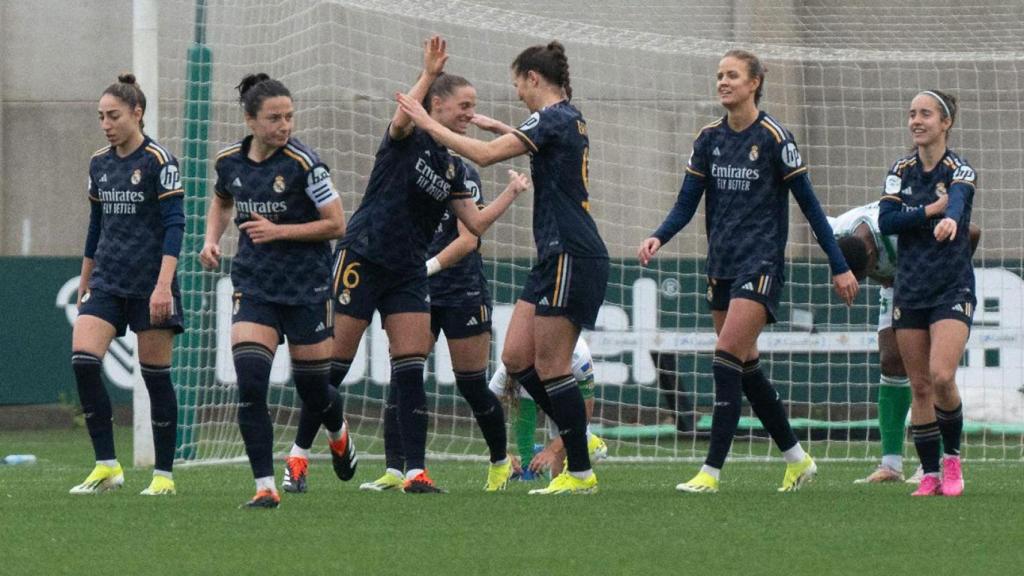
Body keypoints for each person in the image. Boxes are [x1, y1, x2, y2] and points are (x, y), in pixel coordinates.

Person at [308, 37, 526, 495]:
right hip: (395, 270)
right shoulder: (406, 142)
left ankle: (495, 461)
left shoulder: (458, 169)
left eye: (474, 107)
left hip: (455, 285)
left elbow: (473, 232)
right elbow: (404, 119)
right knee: (388, 368)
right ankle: (387, 465)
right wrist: (426, 73)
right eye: (464, 105)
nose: (470, 112)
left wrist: (510, 192)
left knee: (469, 383)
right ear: (438, 105)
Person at [637, 49, 859, 493]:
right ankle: (798, 460)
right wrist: (659, 235)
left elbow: (811, 207)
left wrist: (840, 266)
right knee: (746, 367)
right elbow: (686, 202)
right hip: (721, 264)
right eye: (719, 75)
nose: (723, 82)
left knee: (724, 360)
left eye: (732, 75)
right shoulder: (708, 138)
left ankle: (711, 471)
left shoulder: (776, 137)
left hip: (761, 265)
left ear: (754, 82)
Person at [398, 39, 609, 495]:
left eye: (518, 84)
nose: (517, 93)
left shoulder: (553, 116)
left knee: (553, 365)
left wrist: (427, 124)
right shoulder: (563, 118)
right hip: (552, 255)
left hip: (571, 251)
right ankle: (578, 439)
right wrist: (496, 125)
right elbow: (535, 144)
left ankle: (580, 468)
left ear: (534, 79)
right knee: (515, 358)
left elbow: (487, 155)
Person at [200, 73, 352, 508]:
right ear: (250, 120)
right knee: (250, 385)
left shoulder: (306, 164)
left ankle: (338, 434)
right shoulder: (230, 162)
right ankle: (265, 486)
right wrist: (211, 239)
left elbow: (337, 224)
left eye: (289, 116)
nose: (285, 125)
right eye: (274, 118)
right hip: (254, 286)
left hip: (307, 288)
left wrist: (279, 230)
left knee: (315, 391)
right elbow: (222, 201)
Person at [70, 74, 185, 497]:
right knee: (83, 361)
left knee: (156, 376)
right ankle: (107, 466)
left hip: (151, 285)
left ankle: (164, 476)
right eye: (101, 116)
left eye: (113, 115)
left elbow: (175, 225)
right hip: (107, 282)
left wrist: (163, 286)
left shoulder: (159, 161)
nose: (106, 124)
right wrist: (85, 283)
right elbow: (96, 226)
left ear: (137, 113)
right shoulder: (99, 163)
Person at [831, 202, 980, 484]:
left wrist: (943, 268)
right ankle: (891, 464)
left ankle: (932, 463)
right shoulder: (837, 229)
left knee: (926, 375)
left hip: (935, 285)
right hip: (899, 285)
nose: (867, 279)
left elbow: (972, 232)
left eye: (868, 272)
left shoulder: (900, 232)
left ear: (872, 252)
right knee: (890, 360)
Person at [878, 89, 976, 497]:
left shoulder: (960, 168)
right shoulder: (900, 170)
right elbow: (887, 220)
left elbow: (958, 200)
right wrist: (929, 213)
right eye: (912, 114)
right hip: (910, 288)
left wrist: (949, 217)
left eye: (926, 114)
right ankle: (930, 472)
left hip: (951, 287)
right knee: (918, 384)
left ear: (945, 122)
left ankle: (952, 460)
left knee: (941, 376)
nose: (916, 121)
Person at [488, 337, 608, 480]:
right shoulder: (515, 363)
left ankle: (587, 439)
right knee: (521, 391)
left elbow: (585, 413)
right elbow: (487, 409)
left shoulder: (578, 357)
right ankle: (527, 467)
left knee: (560, 471)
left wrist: (552, 450)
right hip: (546, 374)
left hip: (564, 385)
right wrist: (501, 454)